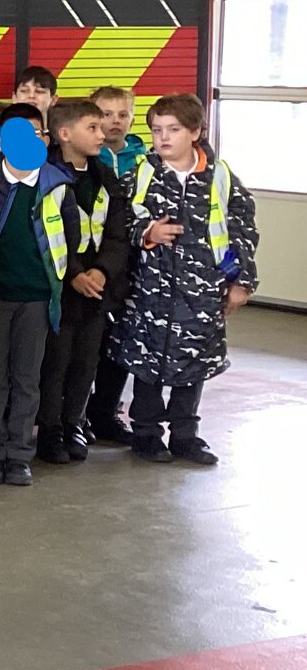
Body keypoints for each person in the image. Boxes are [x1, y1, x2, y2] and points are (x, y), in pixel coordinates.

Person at [113, 95, 258, 467]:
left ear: (195, 132)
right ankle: (145, 433)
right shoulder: (141, 175)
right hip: (150, 292)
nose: (163, 138)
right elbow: (116, 222)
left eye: (173, 130)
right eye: (157, 130)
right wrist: (147, 232)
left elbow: (238, 232)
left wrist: (239, 281)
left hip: (202, 294)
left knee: (194, 362)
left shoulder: (220, 178)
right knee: (147, 362)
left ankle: (185, 435)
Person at [0, 109, 80, 488]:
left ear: (45, 140)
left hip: (38, 299)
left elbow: (69, 241)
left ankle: (19, 454)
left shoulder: (58, 186)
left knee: (27, 378)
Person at [34, 99, 130, 466]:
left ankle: (75, 421)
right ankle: (51, 428)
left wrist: (103, 271)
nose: (102, 132)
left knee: (86, 361)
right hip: (62, 285)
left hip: (98, 286)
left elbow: (118, 233)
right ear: (64, 134)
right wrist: (73, 273)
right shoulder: (46, 176)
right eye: (92, 127)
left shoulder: (104, 176)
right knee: (56, 362)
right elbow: (46, 230)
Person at [84, 84, 145, 443]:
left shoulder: (146, 161)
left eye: (122, 114)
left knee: (120, 343)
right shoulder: (87, 161)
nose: (115, 122)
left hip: (133, 267)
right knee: (86, 345)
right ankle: (75, 414)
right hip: (93, 265)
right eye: (106, 115)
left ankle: (106, 413)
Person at [91, 85, 145, 180]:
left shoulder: (145, 159)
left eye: (123, 115)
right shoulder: (85, 158)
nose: (116, 120)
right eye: (107, 114)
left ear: (132, 123)